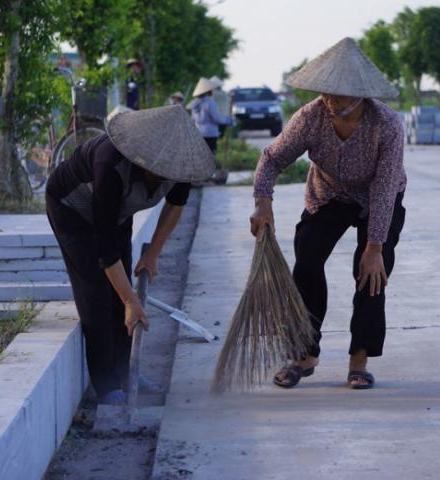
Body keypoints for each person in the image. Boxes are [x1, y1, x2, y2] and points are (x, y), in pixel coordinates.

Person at [250, 38, 406, 390]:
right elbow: (272, 158)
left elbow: (384, 189)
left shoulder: (387, 125)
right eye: (327, 94)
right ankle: (304, 354)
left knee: (370, 273)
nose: (331, 102)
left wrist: (374, 247)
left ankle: (359, 359)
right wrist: (263, 200)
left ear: (362, 96)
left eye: (341, 97)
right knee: (306, 258)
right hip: (328, 194)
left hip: (377, 200)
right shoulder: (311, 117)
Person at [45, 106, 214, 404]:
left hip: (116, 216)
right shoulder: (110, 163)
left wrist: (154, 253)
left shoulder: (179, 165)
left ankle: (127, 374)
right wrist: (130, 300)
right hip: (70, 209)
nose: (168, 173)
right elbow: (105, 246)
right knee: (97, 294)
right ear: (144, 157)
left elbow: (175, 206)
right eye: (161, 168)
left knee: (121, 297)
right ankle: (107, 386)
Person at [187, 77, 233, 155]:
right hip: (210, 133)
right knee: (210, 156)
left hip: (198, 133)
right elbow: (218, 119)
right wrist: (229, 120)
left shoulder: (194, 103)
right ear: (208, 91)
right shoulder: (210, 103)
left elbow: (193, 119)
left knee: (200, 155)